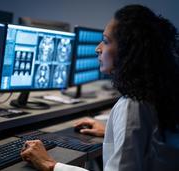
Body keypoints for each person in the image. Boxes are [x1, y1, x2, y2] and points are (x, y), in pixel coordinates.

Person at [20, 4, 179, 171]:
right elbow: (150, 140)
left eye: (105, 41)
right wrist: (113, 132)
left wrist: (51, 165)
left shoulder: (133, 105)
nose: (98, 48)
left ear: (128, 51)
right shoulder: (157, 92)